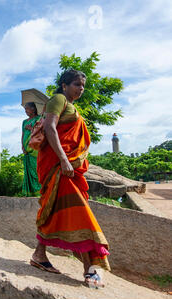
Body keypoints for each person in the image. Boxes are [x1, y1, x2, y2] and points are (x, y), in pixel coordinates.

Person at [29, 69, 110, 288]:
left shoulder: (71, 105)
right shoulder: (58, 99)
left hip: (67, 168)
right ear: (64, 85)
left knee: (56, 209)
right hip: (59, 167)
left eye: (82, 85)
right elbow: (49, 127)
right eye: (76, 84)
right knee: (78, 212)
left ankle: (39, 255)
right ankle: (88, 269)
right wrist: (64, 160)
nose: (80, 89)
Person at [21, 102, 42, 196]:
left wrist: (31, 129)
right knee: (28, 171)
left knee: (36, 170)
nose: (25, 111)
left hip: (35, 149)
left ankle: (40, 192)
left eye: (27, 109)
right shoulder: (24, 122)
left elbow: (41, 133)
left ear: (33, 109)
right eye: (25, 109)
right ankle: (30, 193)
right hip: (26, 150)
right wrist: (22, 146)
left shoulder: (39, 119)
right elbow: (22, 135)